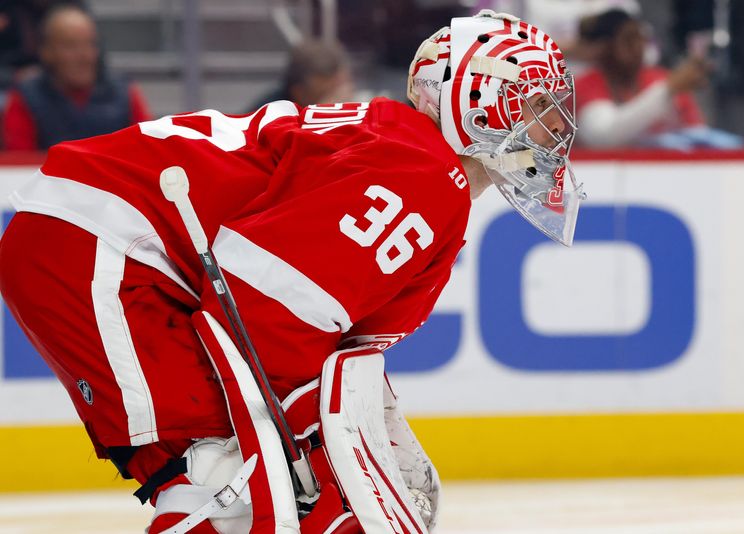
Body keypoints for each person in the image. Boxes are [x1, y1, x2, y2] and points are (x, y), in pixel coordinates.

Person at [0, 9, 581, 533]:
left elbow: (302, 326)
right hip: (104, 246)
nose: (556, 129)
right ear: (475, 102)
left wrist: (354, 426)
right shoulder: (424, 176)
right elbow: (261, 313)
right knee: (228, 491)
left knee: (234, 482)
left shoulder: (411, 161)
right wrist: (322, 448)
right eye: (535, 107)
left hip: (106, 245)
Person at [573, 8, 740, 149]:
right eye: (629, 40)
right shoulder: (584, 84)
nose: (638, 47)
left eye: (641, 38)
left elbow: (696, 134)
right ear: (604, 47)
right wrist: (667, 89)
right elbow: (603, 136)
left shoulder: (659, 78)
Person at [1, 4, 149, 150]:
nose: (84, 56)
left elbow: (148, 152)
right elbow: (19, 164)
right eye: (71, 46)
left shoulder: (124, 93)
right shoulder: (26, 98)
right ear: (47, 52)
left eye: (90, 44)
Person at [246, 39, 354, 111]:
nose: (340, 97)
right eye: (326, 94)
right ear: (298, 92)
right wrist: (326, 111)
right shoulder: (271, 115)